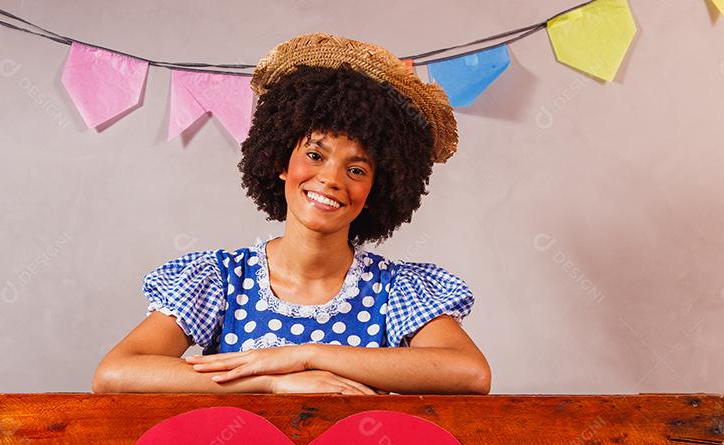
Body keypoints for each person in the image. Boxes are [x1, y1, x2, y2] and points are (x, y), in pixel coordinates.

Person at [93, 33, 491, 395]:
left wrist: (306, 355)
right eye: (315, 155)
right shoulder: (221, 280)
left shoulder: (396, 291)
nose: (331, 179)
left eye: (356, 170)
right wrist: (270, 380)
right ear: (282, 161)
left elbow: (469, 373)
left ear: (376, 192)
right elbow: (116, 374)